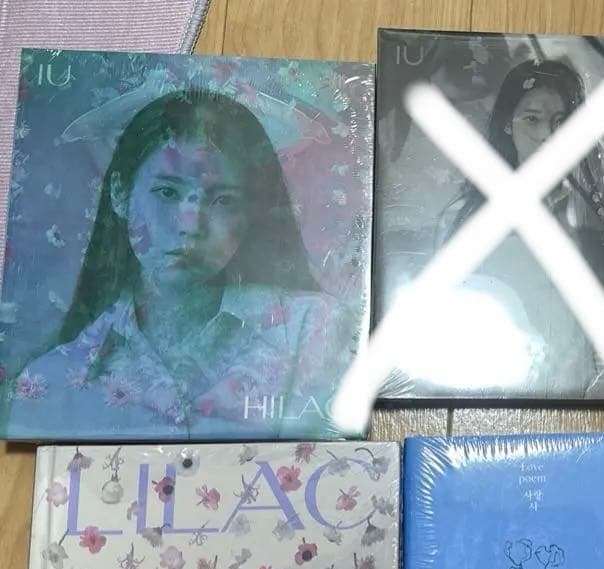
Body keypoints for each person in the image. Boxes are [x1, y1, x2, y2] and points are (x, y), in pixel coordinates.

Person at [5, 88, 358, 438]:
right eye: (167, 192)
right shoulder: (50, 382)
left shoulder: (314, 330)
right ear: (120, 193)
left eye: (223, 200)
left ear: (250, 211)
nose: (190, 225)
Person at [430, 58, 604, 397]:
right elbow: (443, 328)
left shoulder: (599, 219)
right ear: (508, 124)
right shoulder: (463, 219)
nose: (547, 135)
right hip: (492, 393)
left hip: (580, 395)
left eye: (560, 122)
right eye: (532, 119)